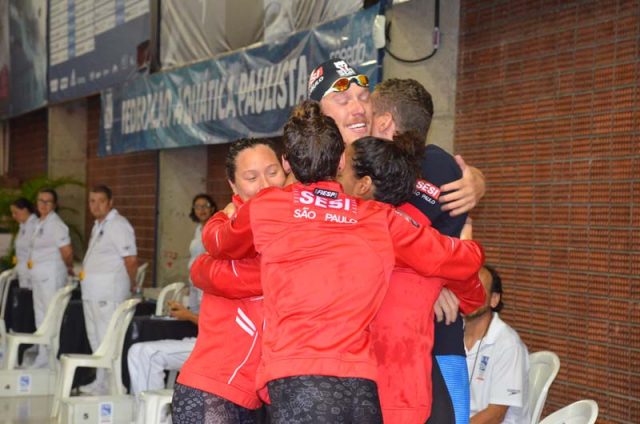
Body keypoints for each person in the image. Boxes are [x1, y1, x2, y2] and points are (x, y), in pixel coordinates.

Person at [205, 101, 484, 423]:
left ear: (286, 163)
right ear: (339, 161)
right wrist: (464, 237)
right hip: (362, 382)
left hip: (298, 376)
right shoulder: (375, 216)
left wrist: (224, 215)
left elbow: (217, 245)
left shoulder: (267, 206)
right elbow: (461, 262)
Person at [309, 59, 486, 423]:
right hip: (341, 352)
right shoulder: (309, 176)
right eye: (344, 100)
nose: (358, 109)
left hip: (421, 345)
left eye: (364, 99)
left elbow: (411, 241)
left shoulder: (419, 166)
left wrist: (437, 273)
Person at [338, 135, 486, 423]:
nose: (335, 178)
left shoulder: (340, 225)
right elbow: (473, 294)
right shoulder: (419, 238)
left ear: (364, 185)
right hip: (405, 390)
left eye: (341, 172)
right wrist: (464, 243)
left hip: (351, 385)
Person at [371, 78, 482, 424]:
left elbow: (397, 238)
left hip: (436, 336)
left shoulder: (434, 164)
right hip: (392, 339)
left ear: (384, 121)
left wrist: (432, 281)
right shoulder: (374, 170)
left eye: (368, 111)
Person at [173, 138, 286, 424]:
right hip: (215, 390)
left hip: (258, 395)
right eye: (251, 177)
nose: (265, 185)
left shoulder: (286, 225)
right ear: (233, 186)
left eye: (272, 172)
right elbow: (206, 269)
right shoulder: (230, 234)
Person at [127, 194, 216, 397]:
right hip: (199, 330)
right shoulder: (198, 232)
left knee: (145, 354)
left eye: (205, 206)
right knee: (137, 351)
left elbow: (216, 325)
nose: (201, 210)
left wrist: (188, 315)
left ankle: (152, 412)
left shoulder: (223, 284)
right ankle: (145, 411)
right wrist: (187, 312)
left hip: (214, 347)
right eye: (197, 206)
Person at [79, 185, 137, 394]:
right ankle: (101, 381)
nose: (96, 206)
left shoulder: (118, 225)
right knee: (95, 338)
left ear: (110, 202)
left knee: (108, 338)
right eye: (92, 201)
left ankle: (115, 384)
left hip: (108, 293)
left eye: (101, 201)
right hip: (92, 292)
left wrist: (132, 284)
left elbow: (130, 260)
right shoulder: (99, 225)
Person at [464, 266, 530, 424]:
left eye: (478, 291)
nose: (470, 297)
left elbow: (495, 415)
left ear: (494, 299)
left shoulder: (508, 345)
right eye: (465, 290)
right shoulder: (450, 335)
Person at [27, 188, 74, 368]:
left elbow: (67, 251)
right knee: (40, 317)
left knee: (50, 317)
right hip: (39, 278)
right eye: (41, 201)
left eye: (48, 201)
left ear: (54, 205)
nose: (44, 204)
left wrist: (68, 267)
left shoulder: (56, 224)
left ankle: (51, 359)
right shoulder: (40, 222)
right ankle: (42, 356)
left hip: (51, 277)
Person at [10, 198, 38, 289]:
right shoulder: (23, 226)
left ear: (25, 210)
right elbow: (18, 251)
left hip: (31, 274)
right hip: (22, 272)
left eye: (15, 212)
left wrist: (29, 270)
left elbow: (34, 252)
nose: (13, 216)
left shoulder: (35, 225)